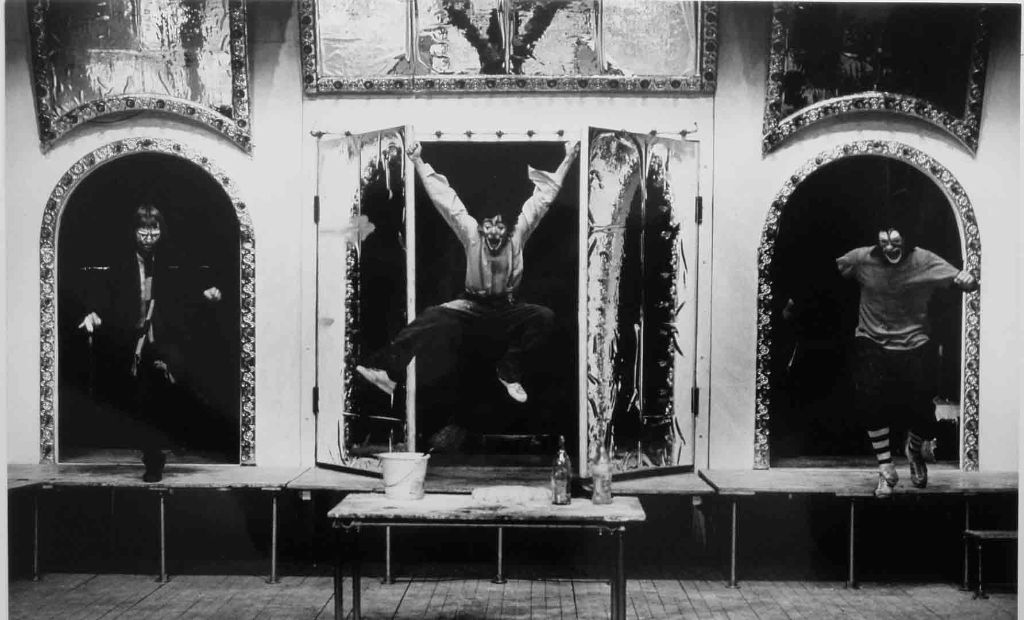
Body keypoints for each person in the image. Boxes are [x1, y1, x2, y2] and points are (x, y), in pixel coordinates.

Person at [356, 140, 579, 406]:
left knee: (544, 316)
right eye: (489, 226)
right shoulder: (471, 233)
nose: (494, 233)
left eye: (500, 227)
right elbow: (445, 200)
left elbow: (543, 199)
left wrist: (568, 158)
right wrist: (417, 161)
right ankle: (387, 372)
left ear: (508, 229)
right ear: (482, 227)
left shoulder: (519, 234)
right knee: (431, 317)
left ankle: (509, 373)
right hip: (471, 306)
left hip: (507, 308)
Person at [78, 204, 222, 482]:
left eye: (153, 230)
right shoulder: (120, 260)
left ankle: (176, 436)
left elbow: (189, 286)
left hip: (167, 339)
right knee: (144, 401)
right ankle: (153, 460)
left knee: (173, 392)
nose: (148, 237)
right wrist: (92, 312)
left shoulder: (171, 258)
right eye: (142, 231)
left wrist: (208, 292)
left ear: (161, 230)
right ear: (133, 231)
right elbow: (103, 292)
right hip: (135, 342)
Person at [836, 224, 977, 497]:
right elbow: (828, 273)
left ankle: (913, 450)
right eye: (884, 243)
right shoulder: (861, 258)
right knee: (869, 398)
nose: (889, 248)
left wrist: (967, 280)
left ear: (907, 241)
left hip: (914, 342)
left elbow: (962, 280)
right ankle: (886, 467)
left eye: (895, 242)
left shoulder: (924, 259)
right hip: (872, 339)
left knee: (924, 411)